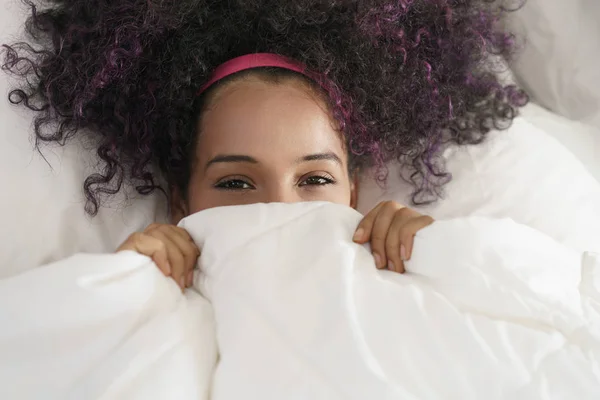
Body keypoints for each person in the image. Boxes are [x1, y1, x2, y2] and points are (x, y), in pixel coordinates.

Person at [2, 0, 527, 289]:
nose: (278, 208)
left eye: (315, 179)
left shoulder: (413, 281)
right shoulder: (144, 291)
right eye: (235, 181)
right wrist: (117, 294)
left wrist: (449, 266)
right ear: (182, 201)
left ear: (352, 192)